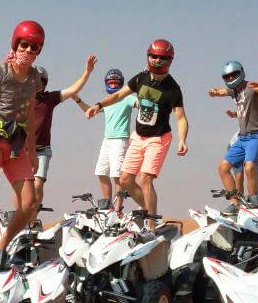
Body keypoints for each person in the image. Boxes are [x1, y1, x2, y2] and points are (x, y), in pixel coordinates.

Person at [85, 39, 188, 235]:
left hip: (158, 138)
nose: (157, 60)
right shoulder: (141, 78)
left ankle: (151, 225)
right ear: (148, 56)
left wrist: (182, 139)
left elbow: (181, 117)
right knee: (124, 180)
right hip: (138, 137)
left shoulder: (173, 88)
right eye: (154, 56)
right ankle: (151, 213)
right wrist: (98, 105)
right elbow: (118, 95)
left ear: (169, 60)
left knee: (145, 179)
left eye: (162, 57)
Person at [0, 20, 42, 251]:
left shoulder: (34, 77)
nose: (29, 51)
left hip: (16, 145)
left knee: (29, 203)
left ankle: (2, 245)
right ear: (15, 44)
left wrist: (32, 151)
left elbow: (30, 114)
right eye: (24, 45)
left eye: (35, 47)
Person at [33, 55, 98, 211]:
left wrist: (87, 72)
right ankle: (22, 221)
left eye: (43, 81)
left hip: (42, 151)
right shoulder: (21, 97)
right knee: (24, 188)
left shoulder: (50, 98)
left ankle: (32, 221)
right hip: (23, 150)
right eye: (37, 80)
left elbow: (73, 89)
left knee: (37, 184)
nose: (40, 83)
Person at [208, 60, 258, 214]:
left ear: (241, 72)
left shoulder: (251, 88)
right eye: (227, 77)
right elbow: (224, 91)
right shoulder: (235, 90)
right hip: (242, 138)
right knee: (223, 168)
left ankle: (254, 201)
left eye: (233, 75)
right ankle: (235, 204)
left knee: (249, 167)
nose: (230, 78)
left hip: (256, 135)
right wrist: (215, 92)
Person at [75, 68, 136, 211]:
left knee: (117, 176)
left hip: (120, 140)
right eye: (111, 82)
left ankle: (118, 208)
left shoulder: (127, 98)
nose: (113, 85)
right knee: (101, 173)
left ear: (121, 83)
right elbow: (89, 111)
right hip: (107, 141)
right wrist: (77, 99)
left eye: (116, 82)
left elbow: (138, 104)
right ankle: (107, 206)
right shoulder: (106, 101)